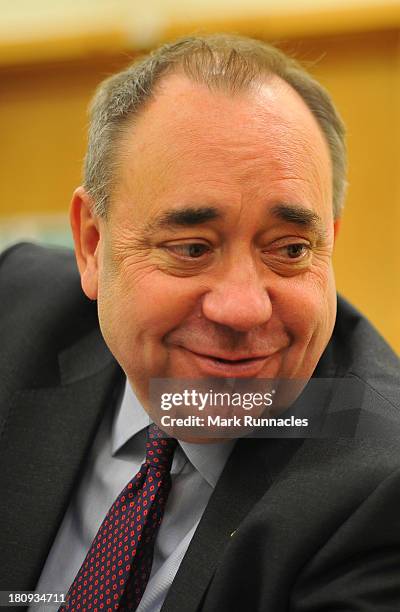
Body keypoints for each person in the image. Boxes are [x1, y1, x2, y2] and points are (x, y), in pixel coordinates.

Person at [0, 33, 399, 612]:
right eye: (191, 248)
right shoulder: (15, 313)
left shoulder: (379, 490)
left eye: (289, 250)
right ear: (92, 244)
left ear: (328, 246)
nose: (243, 309)